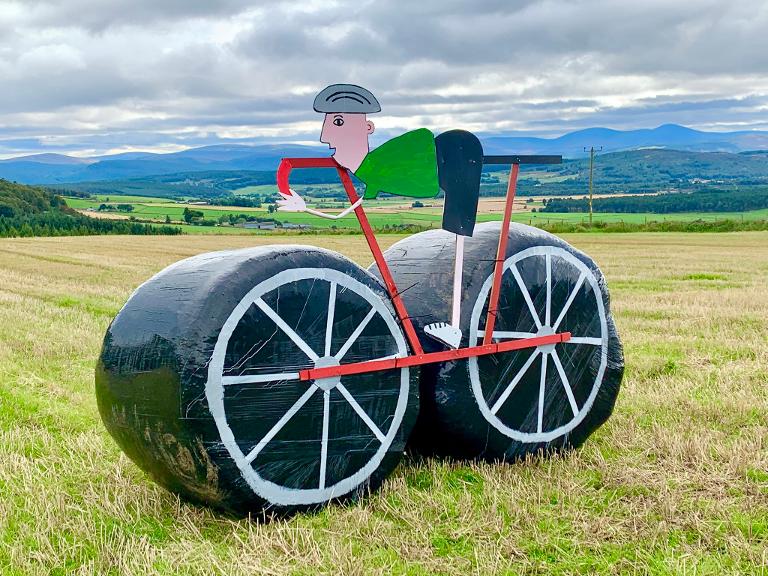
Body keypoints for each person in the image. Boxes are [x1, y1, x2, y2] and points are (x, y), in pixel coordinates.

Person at [277, 83, 483, 349]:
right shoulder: (373, 169)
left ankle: (454, 328)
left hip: (456, 155)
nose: (324, 136)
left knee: (458, 230)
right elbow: (348, 210)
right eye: (329, 123)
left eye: (337, 122)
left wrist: (304, 207)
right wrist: (304, 207)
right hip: (436, 160)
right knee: (457, 230)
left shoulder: (378, 167)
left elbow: (345, 212)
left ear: (368, 128)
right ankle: (449, 328)